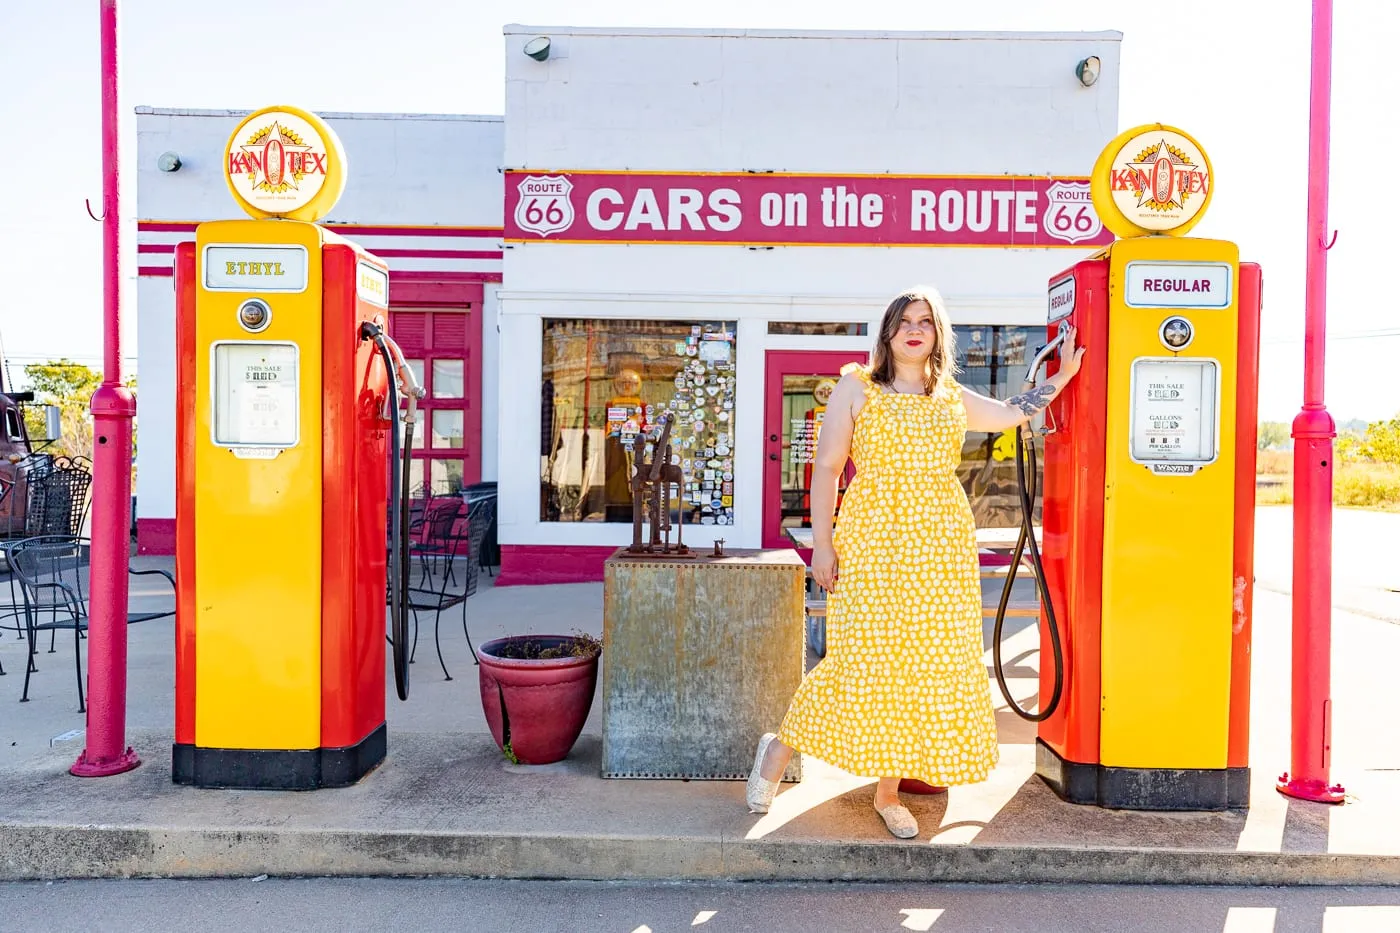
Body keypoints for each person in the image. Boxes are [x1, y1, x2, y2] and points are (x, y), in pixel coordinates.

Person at [745, 286, 1085, 839]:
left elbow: (1006, 415)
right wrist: (823, 546)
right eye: (904, 320)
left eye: (925, 320)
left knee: (923, 670)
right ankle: (776, 754)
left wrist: (1061, 377)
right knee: (858, 662)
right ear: (888, 331)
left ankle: (887, 792)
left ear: (937, 333)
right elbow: (828, 469)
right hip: (873, 541)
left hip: (939, 547)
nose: (914, 328)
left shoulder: (948, 395)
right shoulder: (857, 387)